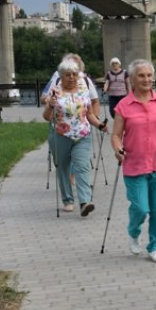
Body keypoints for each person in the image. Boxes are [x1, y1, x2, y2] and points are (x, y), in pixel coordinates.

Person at [111, 59, 156, 264]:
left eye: (149, 75)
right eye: (141, 76)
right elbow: (116, 136)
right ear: (132, 79)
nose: (146, 79)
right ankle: (133, 231)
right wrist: (118, 149)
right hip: (134, 164)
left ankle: (154, 247)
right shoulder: (123, 106)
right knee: (141, 208)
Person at [43, 57, 108, 215]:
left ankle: (85, 201)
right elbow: (46, 116)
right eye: (67, 74)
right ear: (61, 76)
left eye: (74, 74)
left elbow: (90, 114)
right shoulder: (55, 92)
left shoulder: (83, 90)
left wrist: (99, 125)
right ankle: (68, 200)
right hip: (60, 135)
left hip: (82, 135)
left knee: (82, 167)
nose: (71, 77)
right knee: (63, 168)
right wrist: (50, 106)